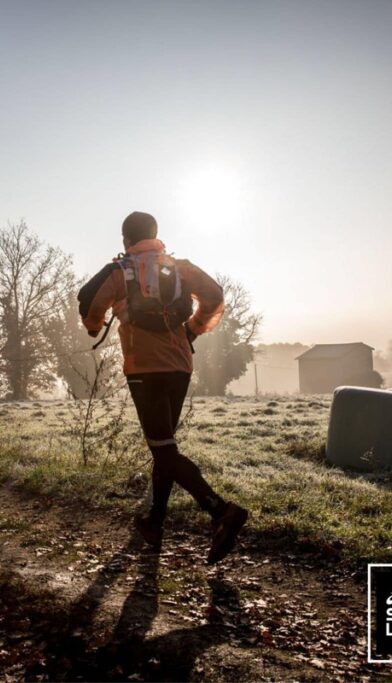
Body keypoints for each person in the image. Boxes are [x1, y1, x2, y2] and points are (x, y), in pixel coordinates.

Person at [78, 211, 249, 565]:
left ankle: (221, 511)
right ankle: (154, 523)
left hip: (144, 369)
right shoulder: (180, 267)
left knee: (163, 449)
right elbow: (215, 295)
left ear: (126, 240)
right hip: (181, 365)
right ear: (156, 236)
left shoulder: (120, 271)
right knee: (164, 448)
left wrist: (94, 327)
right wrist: (194, 329)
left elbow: (89, 301)